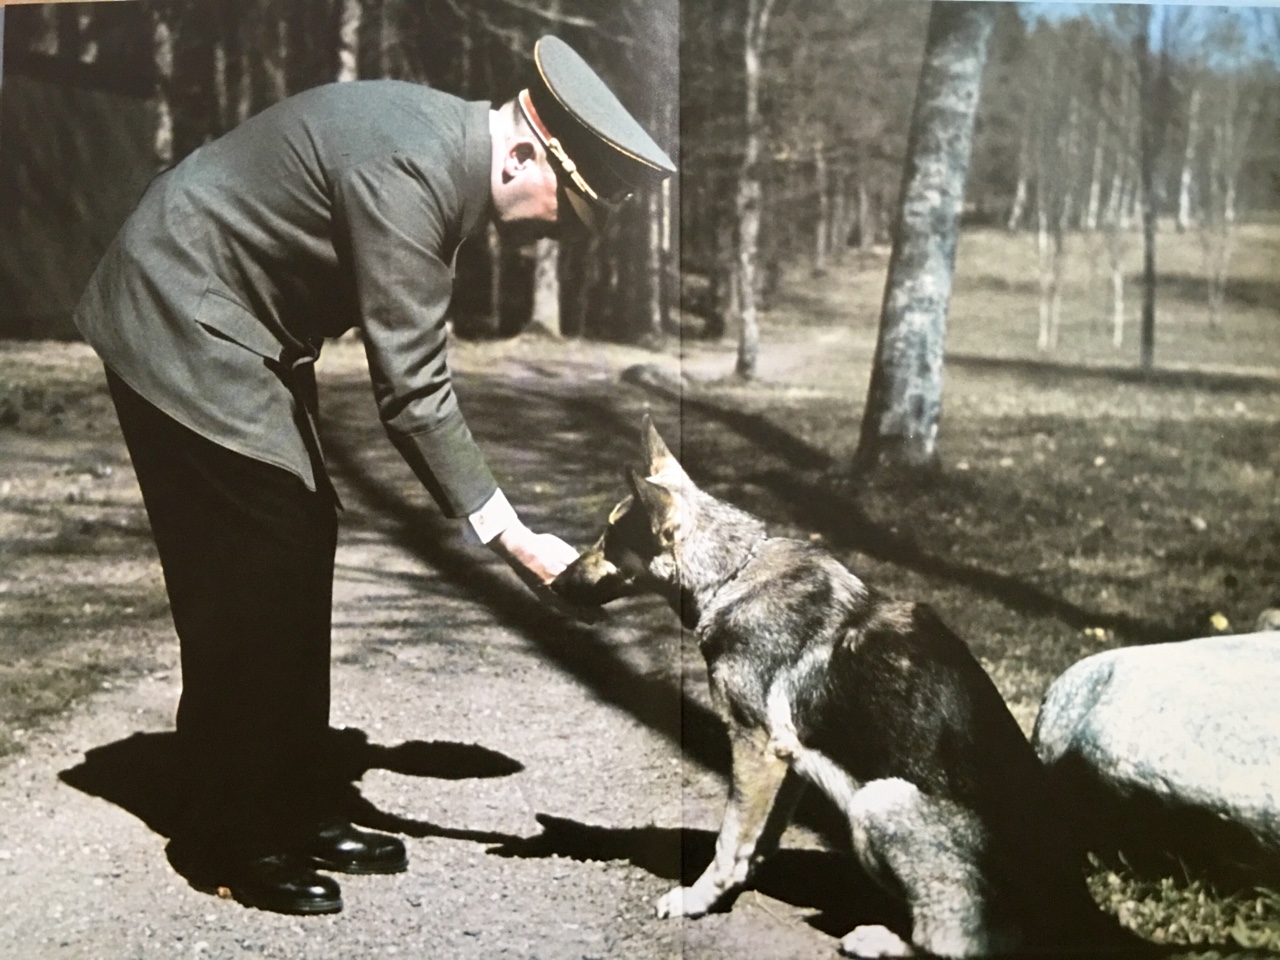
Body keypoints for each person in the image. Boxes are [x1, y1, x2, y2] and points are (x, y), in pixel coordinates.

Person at [72, 35, 675, 916]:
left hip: (233, 323)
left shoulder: (437, 153)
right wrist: (514, 540)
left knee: (299, 533)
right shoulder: (415, 173)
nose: (550, 231)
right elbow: (415, 394)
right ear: (524, 152)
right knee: (252, 560)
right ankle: (228, 834)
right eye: (562, 209)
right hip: (178, 309)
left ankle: (292, 802)